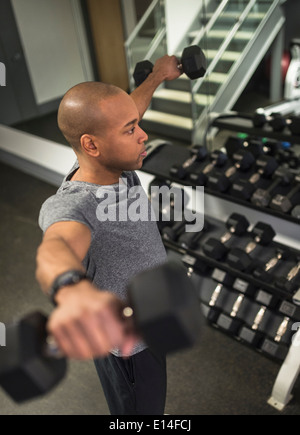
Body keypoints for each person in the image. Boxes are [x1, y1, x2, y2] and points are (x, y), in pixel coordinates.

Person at [36, 55, 182, 415]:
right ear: (91, 145)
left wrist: (158, 76)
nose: (143, 134)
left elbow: (128, 109)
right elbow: (56, 246)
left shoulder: (109, 163)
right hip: (130, 347)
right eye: (131, 130)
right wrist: (70, 288)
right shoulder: (77, 204)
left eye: (136, 124)